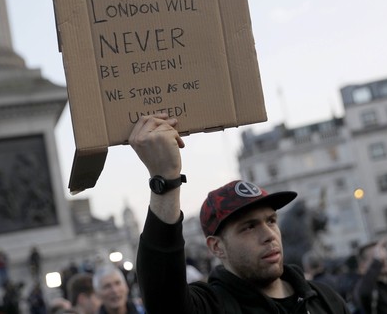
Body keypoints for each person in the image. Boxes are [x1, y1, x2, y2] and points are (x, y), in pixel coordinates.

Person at [129, 113, 349, 314]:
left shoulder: (324, 299)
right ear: (217, 246)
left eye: (271, 220)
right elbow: (163, 298)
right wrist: (166, 179)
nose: (269, 235)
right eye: (249, 227)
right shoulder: (212, 306)